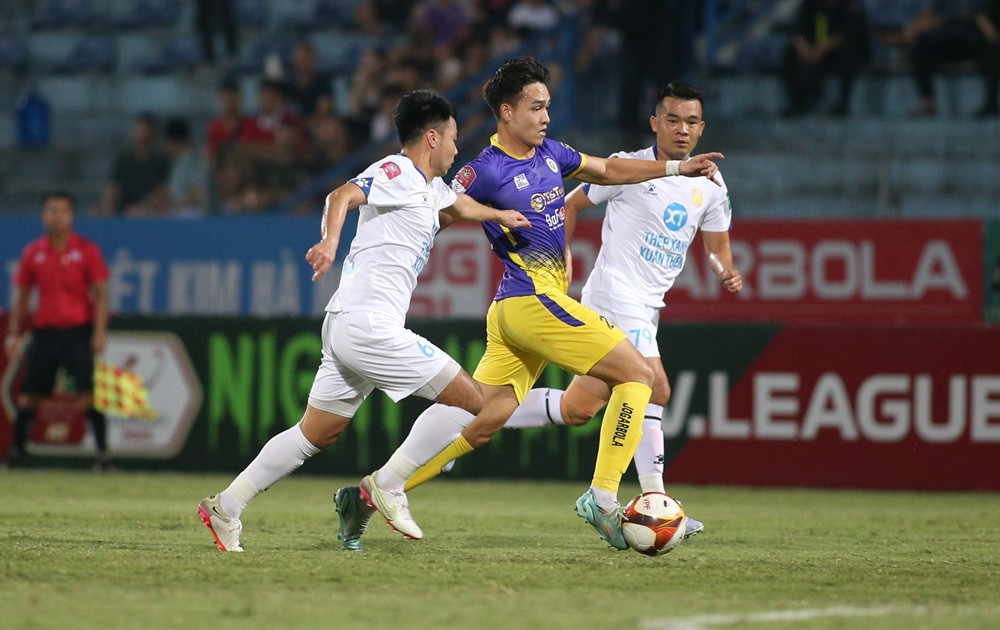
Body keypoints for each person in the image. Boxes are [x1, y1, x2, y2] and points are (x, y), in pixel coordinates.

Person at [335, 57, 722, 552]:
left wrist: (674, 167)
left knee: (479, 421)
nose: (545, 117)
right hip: (530, 300)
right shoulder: (484, 169)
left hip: (516, 310)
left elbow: (607, 169)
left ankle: (372, 492)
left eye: (547, 107)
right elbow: (439, 208)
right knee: (638, 376)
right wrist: (391, 258)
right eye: (536, 108)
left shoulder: (551, 153)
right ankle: (603, 497)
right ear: (506, 111)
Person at [196, 90, 530, 552]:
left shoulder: (431, 188)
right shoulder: (397, 170)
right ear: (432, 138)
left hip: (346, 324)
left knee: (315, 432)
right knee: (472, 400)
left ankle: (226, 506)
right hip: (368, 324)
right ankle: (388, 484)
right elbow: (341, 195)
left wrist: (499, 214)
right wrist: (330, 241)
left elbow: (459, 206)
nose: (457, 149)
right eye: (453, 137)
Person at [494, 81, 743, 539]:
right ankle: (656, 501)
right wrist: (562, 254)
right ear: (655, 123)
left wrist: (723, 269)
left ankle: (472, 414)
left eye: (691, 122)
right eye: (672, 120)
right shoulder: (630, 168)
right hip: (613, 295)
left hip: (648, 307)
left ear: (702, 128)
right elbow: (570, 204)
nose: (682, 129)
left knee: (576, 408)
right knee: (654, 386)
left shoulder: (710, 182)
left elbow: (718, 246)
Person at [3, 192, 111, 471]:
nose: (57, 216)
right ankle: (16, 453)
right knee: (29, 397)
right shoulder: (33, 252)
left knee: (88, 395)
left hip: (77, 333)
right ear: (43, 215)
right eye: (52, 210)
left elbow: (101, 294)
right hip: (45, 333)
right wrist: (13, 331)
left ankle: (102, 456)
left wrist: (99, 332)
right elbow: (22, 295)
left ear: (72, 216)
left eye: (63, 211)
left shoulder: (86, 250)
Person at [895, 0, 1000, 117]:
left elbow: (990, 31)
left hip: (976, 39)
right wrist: (917, 25)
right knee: (922, 48)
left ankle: (991, 103)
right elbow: (930, 13)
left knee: (991, 55)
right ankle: (928, 102)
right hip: (950, 37)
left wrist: (983, 22)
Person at [780, 0, 872, 117]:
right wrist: (803, 47)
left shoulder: (850, 7)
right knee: (790, 54)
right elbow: (799, 31)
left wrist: (821, 49)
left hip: (837, 51)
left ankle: (842, 104)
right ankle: (797, 103)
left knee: (848, 57)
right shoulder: (810, 5)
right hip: (812, 48)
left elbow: (847, 34)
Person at [95, 113, 171, 216]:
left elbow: (162, 193)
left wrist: (143, 208)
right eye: (139, 130)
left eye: (146, 131)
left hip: (150, 213)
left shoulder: (161, 162)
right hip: (124, 211)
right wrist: (106, 211)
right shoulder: (124, 161)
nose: (142, 136)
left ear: (153, 135)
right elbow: (112, 189)